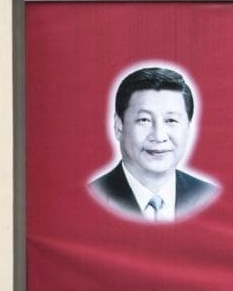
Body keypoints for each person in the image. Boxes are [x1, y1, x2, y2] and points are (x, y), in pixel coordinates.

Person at [89, 66, 219, 223]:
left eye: (171, 120)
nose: (159, 136)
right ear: (118, 126)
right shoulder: (92, 197)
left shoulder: (209, 196)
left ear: (188, 127)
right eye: (144, 120)